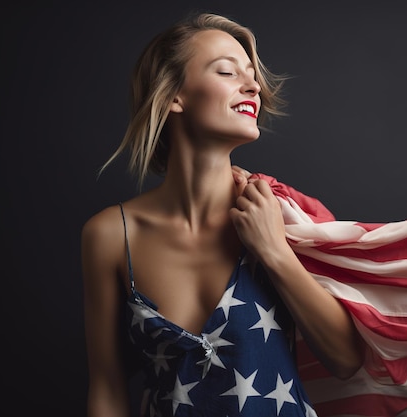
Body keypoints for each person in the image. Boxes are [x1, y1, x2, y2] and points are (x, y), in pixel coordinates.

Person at [81, 11, 365, 417]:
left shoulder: (279, 211)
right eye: (227, 72)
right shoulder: (110, 234)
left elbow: (346, 360)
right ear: (173, 96)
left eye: (252, 75)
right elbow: (107, 390)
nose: (253, 86)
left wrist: (274, 251)